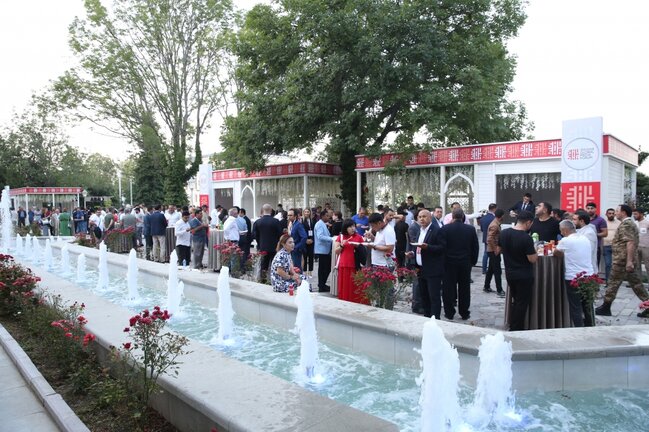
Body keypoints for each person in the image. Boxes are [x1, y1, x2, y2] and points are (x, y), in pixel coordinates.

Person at [596, 205, 649, 317]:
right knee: (636, 284)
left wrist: (629, 261)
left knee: (613, 283)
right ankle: (647, 304)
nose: (615, 213)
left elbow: (630, 242)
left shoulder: (627, 224)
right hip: (624, 260)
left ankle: (606, 307)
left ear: (623, 212)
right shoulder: (628, 223)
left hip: (622, 260)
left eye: (617, 211)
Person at [498, 210, 537, 331]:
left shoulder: (504, 233)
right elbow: (532, 259)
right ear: (528, 222)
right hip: (524, 275)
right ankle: (516, 328)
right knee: (521, 303)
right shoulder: (526, 238)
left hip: (510, 273)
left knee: (516, 301)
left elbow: (499, 250)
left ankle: (513, 324)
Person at [439, 208, 479, 320]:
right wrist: (473, 261)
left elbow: (442, 247)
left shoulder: (445, 229)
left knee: (448, 288)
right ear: (463, 217)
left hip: (449, 263)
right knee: (464, 288)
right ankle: (464, 312)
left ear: (452, 216)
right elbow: (475, 247)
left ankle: (449, 312)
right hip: (465, 263)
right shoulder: (470, 229)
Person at [554, 220, 594, 327]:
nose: (561, 233)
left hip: (573, 277)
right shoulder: (585, 238)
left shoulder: (565, 240)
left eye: (561, 231)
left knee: (575, 306)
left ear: (565, 230)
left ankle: (578, 328)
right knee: (587, 305)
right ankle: (590, 326)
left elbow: (556, 252)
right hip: (589, 275)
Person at [406, 209, 445, 319]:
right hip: (420, 268)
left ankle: (435, 319)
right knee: (424, 295)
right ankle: (427, 317)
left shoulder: (437, 230)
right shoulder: (420, 230)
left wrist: (428, 247)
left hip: (433, 269)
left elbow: (442, 248)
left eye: (424, 216)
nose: (421, 219)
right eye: (420, 217)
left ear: (430, 218)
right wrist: (412, 253)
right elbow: (418, 247)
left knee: (434, 296)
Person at [334, 219, 365, 303]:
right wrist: (342, 245)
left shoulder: (358, 237)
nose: (353, 228)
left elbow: (363, 250)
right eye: (350, 227)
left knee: (355, 285)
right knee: (345, 286)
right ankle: (345, 301)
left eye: (354, 226)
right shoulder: (341, 237)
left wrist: (358, 246)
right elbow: (336, 251)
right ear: (345, 228)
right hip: (344, 264)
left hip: (355, 264)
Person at [252, 204, 284, 277]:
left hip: (262, 247)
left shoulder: (258, 222)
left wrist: (259, 243)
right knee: (275, 265)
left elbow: (254, 235)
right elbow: (280, 234)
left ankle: (263, 279)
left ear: (263, 210)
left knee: (263, 266)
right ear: (271, 210)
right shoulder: (276, 221)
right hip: (274, 247)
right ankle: (274, 278)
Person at [484, 208, 505, 297]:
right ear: (501, 216)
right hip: (493, 251)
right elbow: (489, 239)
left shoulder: (496, 223)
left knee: (491, 269)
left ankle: (486, 286)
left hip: (492, 250)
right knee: (497, 271)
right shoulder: (495, 225)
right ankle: (499, 290)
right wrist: (495, 249)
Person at [573, 211, 598, 275]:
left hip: (587, 269)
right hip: (579, 267)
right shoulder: (578, 230)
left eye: (575, 219)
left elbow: (587, 252)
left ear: (581, 221)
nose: (573, 221)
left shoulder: (589, 233)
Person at [314, 210, 333, 292]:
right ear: (322, 216)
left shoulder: (323, 224)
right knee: (323, 269)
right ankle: (321, 285)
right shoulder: (319, 224)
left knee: (326, 268)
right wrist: (331, 239)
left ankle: (322, 284)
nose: (328, 217)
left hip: (325, 250)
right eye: (327, 216)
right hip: (322, 250)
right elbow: (320, 236)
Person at [586, 202, 607, 268]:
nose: (590, 210)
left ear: (595, 209)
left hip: (596, 247)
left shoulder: (601, 220)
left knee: (594, 266)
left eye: (592, 208)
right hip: (584, 246)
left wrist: (594, 234)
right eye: (588, 208)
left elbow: (605, 233)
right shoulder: (583, 219)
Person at [602, 208, 620, 284]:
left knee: (616, 265)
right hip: (606, 246)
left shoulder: (619, 223)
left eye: (613, 213)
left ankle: (615, 282)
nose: (611, 215)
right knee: (608, 264)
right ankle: (608, 282)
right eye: (609, 213)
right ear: (606, 214)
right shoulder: (603, 222)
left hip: (616, 246)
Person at [479, 203, 497, 274]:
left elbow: (482, 229)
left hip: (485, 238)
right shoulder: (494, 218)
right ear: (494, 209)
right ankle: (492, 269)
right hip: (493, 238)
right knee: (493, 254)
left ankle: (484, 269)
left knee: (486, 254)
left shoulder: (483, 218)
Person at [633, 208, 649, 284]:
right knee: (637, 266)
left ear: (641, 214)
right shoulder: (634, 223)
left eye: (636, 214)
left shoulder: (647, 223)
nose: (634, 215)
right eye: (633, 214)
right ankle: (638, 284)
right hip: (636, 247)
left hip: (646, 247)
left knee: (647, 266)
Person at [302, 208, 316, 277]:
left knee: (311, 256)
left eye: (308, 212)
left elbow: (314, 231)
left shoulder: (312, 220)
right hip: (305, 241)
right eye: (305, 212)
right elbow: (302, 231)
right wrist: (306, 240)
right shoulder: (302, 221)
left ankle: (310, 271)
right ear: (303, 213)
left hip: (311, 240)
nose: (307, 213)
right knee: (304, 256)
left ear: (310, 213)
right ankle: (304, 271)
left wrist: (312, 239)